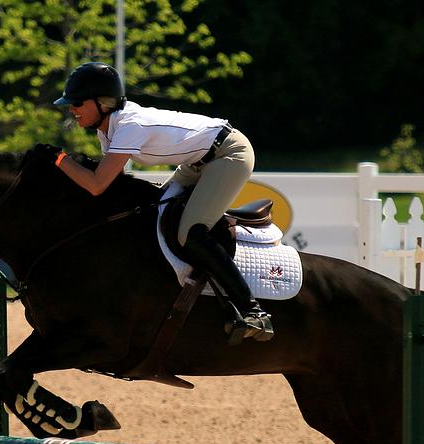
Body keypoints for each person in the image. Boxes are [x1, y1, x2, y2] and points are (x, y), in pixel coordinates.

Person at [51, 61, 273, 343]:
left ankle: (252, 311)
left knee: (189, 231)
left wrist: (59, 160)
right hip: (196, 163)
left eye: (77, 103)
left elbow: (96, 185)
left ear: (102, 103)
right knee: (152, 217)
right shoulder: (106, 129)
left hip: (228, 154)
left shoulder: (129, 126)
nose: (72, 109)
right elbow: (111, 186)